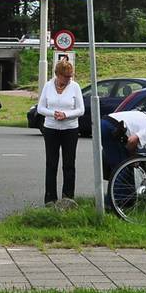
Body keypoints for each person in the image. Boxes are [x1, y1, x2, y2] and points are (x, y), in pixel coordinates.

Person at [35, 58, 84, 205]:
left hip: (70, 129)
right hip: (51, 128)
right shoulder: (48, 86)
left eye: (70, 76)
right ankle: (50, 198)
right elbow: (40, 108)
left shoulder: (75, 87)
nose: (68, 79)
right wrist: (53, 114)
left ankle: (68, 198)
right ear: (58, 74)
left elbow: (81, 109)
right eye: (66, 77)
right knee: (51, 163)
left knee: (69, 164)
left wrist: (66, 115)